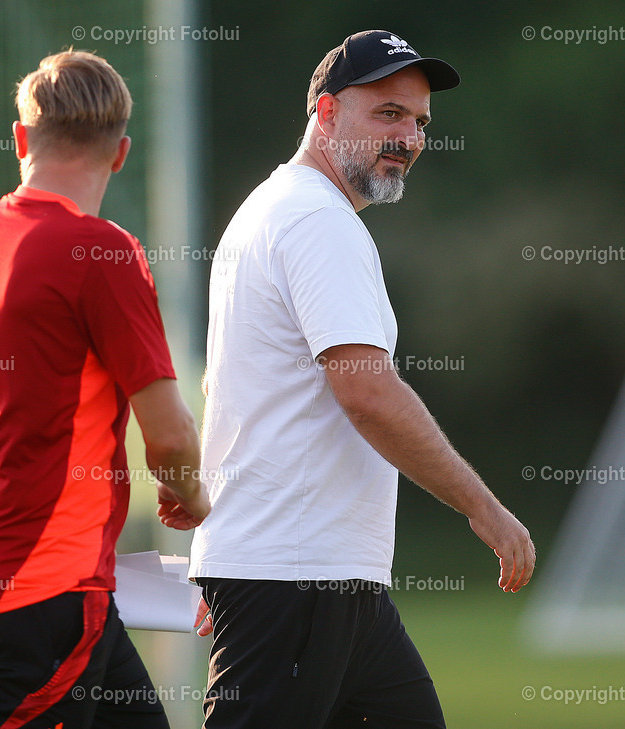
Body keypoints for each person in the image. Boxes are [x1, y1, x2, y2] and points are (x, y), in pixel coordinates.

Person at [189, 29, 536, 728]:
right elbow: (367, 393)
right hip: (296, 578)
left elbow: (240, 395)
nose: (408, 136)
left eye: (419, 122)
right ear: (325, 113)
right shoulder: (317, 220)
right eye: (387, 113)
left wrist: (237, 548)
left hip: (323, 581)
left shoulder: (274, 208)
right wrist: (483, 507)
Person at [0, 50, 210, 729]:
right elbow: (168, 434)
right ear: (120, 154)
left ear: (20, 139)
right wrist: (191, 494)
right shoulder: (105, 252)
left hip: (9, 575)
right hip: (47, 586)